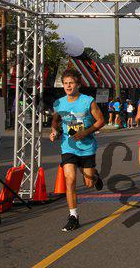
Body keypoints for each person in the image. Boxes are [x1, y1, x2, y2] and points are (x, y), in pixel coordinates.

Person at [50, 68, 105, 232]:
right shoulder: (59, 103)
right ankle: (73, 216)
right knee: (70, 179)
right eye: (65, 83)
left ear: (78, 84)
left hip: (87, 146)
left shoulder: (88, 101)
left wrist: (85, 132)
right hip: (68, 146)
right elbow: (55, 121)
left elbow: (101, 121)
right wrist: (54, 131)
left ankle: (95, 176)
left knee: (88, 183)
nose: (68, 86)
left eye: (71, 83)